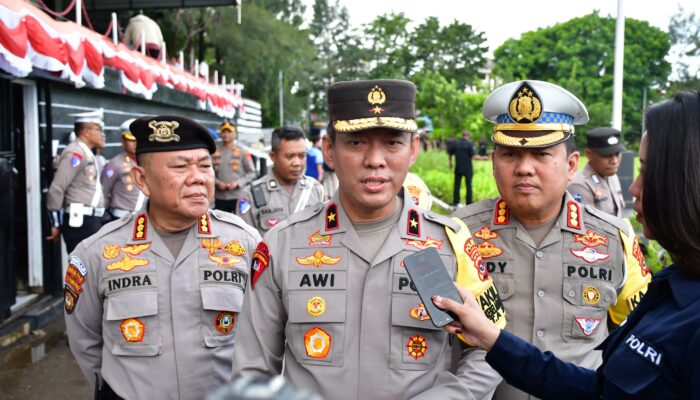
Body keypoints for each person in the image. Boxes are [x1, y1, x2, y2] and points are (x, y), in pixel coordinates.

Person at [232, 79, 507, 399]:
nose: (375, 160)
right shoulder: (281, 245)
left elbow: (490, 347)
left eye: (392, 143)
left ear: (413, 149)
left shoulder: (452, 242)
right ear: (329, 150)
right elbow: (253, 369)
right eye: (357, 143)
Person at [435, 90, 700, 399]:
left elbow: (628, 342)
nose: (524, 168)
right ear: (493, 162)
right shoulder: (456, 233)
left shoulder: (615, 238)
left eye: (541, 154)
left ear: (572, 164)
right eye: (510, 154)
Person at [64, 115, 262, 399]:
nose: (198, 177)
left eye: (205, 166)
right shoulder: (98, 253)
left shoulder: (244, 243)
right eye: (180, 167)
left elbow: (268, 332)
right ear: (141, 179)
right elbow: (84, 341)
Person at [236, 126, 324, 234]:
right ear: (273, 156)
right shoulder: (251, 195)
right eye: (289, 156)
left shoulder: (315, 189)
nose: (297, 163)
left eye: (302, 156)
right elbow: (246, 242)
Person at [46, 108, 107, 253]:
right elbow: (58, 187)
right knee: (84, 267)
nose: (102, 134)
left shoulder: (86, 152)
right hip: (81, 221)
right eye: (98, 129)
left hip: (91, 219)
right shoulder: (76, 152)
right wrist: (55, 222)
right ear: (86, 131)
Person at [568, 127, 626, 217]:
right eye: (606, 155)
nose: (614, 161)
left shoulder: (612, 176)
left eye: (617, 154)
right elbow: (586, 226)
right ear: (589, 154)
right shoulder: (579, 185)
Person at [102, 119, 146, 221]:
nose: (135, 143)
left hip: (144, 218)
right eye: (131, 140)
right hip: (121, 217)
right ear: (123, 141)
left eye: (138, 140)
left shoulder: (148, 163)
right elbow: (105, 192)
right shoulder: (115, 164)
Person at [213, 121, 256, 213]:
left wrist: (238, 183)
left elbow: (251, 173)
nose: (226, 134)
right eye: (223, 132)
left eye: (229, 131)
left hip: (238, 195)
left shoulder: (243, 152)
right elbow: (208, 173)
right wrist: (217, 182)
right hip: (220, 196)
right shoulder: (214, 152)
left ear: (235, 134)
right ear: (220, 134)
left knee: (240, 223)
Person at [448, 130, 485, 206]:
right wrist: (484, 158)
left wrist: (450, 163)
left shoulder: (456, 143)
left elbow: (450, 153)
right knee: (468, 185)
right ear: (469, 136)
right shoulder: (469, 144)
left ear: (462, 135)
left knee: (457, 185)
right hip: (467, 168)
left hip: (458, 168)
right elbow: (474, 157)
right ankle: (469, 202)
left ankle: (456, 202)